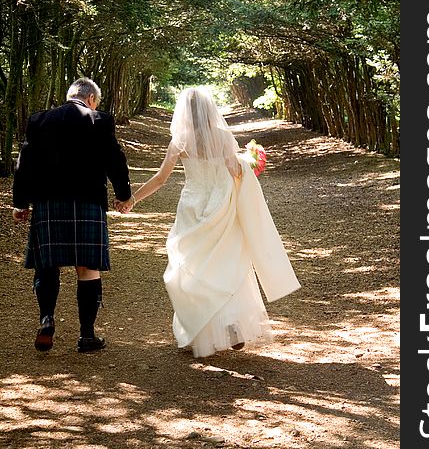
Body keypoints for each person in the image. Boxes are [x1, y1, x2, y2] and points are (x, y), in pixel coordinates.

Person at [118, 86, 300, 358]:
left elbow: (161, 178)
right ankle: (234, 328)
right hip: (221, 208)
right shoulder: (223, 135)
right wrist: (251, 159)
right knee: (227, 266)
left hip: (192, 207)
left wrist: (133, 199)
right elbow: (236, 170)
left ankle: (200, 330)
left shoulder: (180, 141)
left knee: (192, 270)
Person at [12, 77, 133, 353]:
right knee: (87, 268)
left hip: (47, 204)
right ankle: (86, 335)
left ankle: (46, 319)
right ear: (91, 99)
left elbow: (24, 163)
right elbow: (115, 159)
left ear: (71, 95)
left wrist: (21, 203)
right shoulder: (100, 120)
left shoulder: (39, 120)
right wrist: (123, 194)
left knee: (47, 265)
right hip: (88, 202)